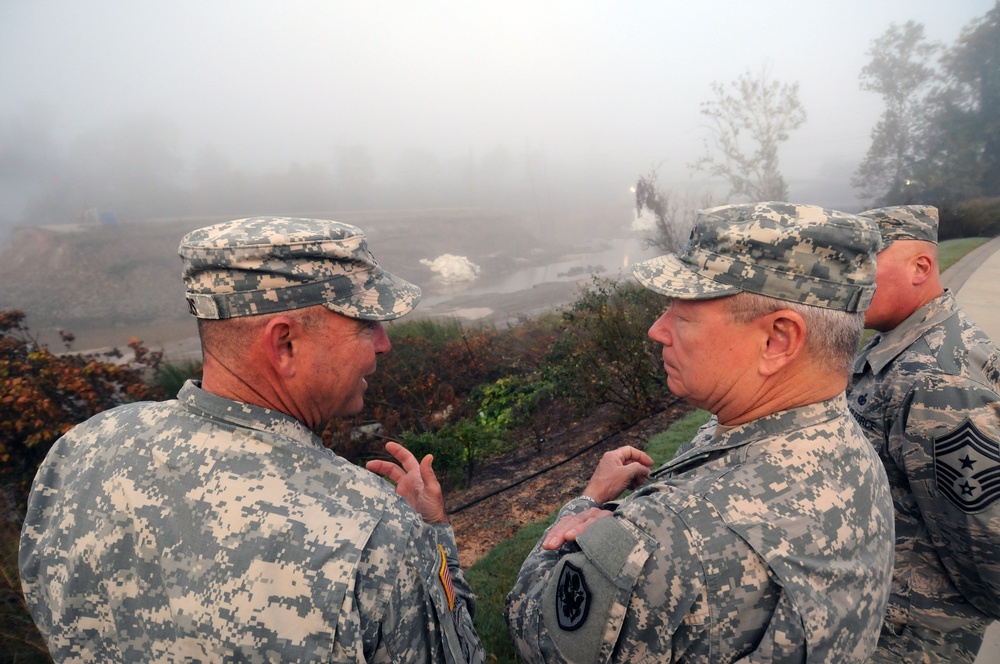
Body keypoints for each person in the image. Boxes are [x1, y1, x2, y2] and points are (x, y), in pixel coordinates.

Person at [19, 216, 485, 663]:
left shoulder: (80, 451)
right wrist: (431, 536)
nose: (384, 343)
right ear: (284, 345)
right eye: (366, 324)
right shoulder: (376, 531)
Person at [505, 202, 895, 663]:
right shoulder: (846, 445)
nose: (657, 330)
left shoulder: (673, 537)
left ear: (777, 341)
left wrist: (584, 512)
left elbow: (536, 632)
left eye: (682, 316)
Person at [848, 205, 1000, 663]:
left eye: (866, 263)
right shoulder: (900, 345)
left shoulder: (941, 380)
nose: (851, 279)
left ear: (921, 267)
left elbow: (986, 546)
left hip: (910, 637)